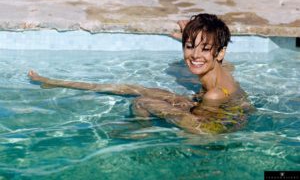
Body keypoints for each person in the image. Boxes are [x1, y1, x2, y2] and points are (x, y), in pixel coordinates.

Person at [28, 13, 252, 134]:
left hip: (213, 126)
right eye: (189, 45)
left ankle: (141, 130)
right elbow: (214, 54)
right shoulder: (220, 68)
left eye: (204, 49)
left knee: (143, 101)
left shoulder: (214, 93)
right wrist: (192, 35)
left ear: (220, 53)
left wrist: (179, 108)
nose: (194, 55)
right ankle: (54, 82)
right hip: (222, 109)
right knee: (136, 88)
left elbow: (200, 129)